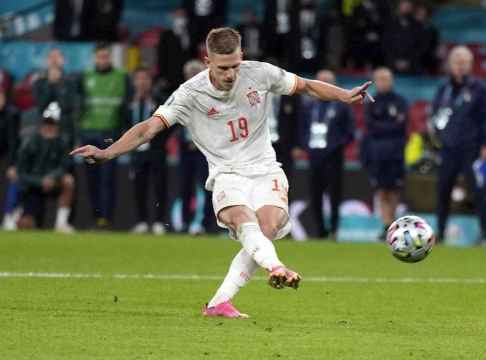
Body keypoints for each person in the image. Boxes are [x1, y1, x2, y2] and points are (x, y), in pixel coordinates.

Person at [70, 27, 372, 318]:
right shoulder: (190, 94)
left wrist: (344, 95)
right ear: (208, 62)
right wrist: (108, 152)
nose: (230, 74)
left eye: (235, 66)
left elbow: (305, 85)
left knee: (266, 228)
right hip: (227, 173)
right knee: (243, 219)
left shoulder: (259, 73)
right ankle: (276, 267)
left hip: (266, 168)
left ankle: (218, 303)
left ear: (242, 56)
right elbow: (148, 128)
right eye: (223, 67)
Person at [431, 46, 486, 243]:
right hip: (449, 148)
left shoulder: (480, 90)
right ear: (450, 64)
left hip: (473, 149)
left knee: (479, 191)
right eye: (456, 62)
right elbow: (435, 114)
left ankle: (484, 234)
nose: (459, 66)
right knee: (443, 190)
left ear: (470, 65)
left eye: (464, 62)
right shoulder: (444, 89)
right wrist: (438, 137)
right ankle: (440, 234)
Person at [295, 70, 355, 239]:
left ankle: (335, 229)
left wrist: (335, 145)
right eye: (322, 82)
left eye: (329, 82)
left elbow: (349, 132)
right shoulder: (309, 106)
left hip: (334, 155)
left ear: (334, 84)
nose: (325, 85)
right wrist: (306, 145)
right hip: (314, 155)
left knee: (335, 193)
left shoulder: (341, 106)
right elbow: (302, 129)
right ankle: (320, 231)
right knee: (315, 194)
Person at [78, 43, 130, 229]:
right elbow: (78, 105)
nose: (103, 60)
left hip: (110, 134)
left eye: (106, 57)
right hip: (89, 132)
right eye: (100, 57)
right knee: (92, 180)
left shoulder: (121, 77)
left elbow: (126, 106)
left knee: (108, 179)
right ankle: (95, 217)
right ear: (94, 58)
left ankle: (105, 219)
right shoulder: (85, 76)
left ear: (110, 58)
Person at [362, 67, 408, 240]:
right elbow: (371, 126)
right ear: (375, 82)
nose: (384, 82)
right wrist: (389, 126)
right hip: (377, 152)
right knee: (381, 190)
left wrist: (382, 127)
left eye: (386, 79)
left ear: (392, 81)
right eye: (380, 79)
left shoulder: (400, 101)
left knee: (394, 189)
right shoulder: (370, 102)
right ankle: (386, 224)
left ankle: (392, 223)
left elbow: (401, 126)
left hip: (396, 152)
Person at [16, 105, 75, 233]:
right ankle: (17, 214)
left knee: (68, 181)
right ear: (41, 125)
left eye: (52, 125)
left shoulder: (62, 142)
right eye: (47, 124)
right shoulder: (29, 143)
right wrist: (40, 181)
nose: (49, 128)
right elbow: (21, 173)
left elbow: (65, 165)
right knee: (26, 225)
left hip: (54, 183)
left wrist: (52, 177)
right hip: (33, 186)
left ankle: (61, 223)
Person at [128, 68, 168, 235]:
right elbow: (124, 124)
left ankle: (159, 221)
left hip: (156, 150)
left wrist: (160, 140)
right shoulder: (129, 102)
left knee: (159, 186)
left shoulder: (159, 101)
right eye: (139, 79)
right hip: (136, 151)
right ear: (134, 82)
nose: (142, 82)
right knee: (139, 186)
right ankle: (142, 221)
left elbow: (170, 124)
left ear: (150, 82)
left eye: (145, 79)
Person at [177, 59, 214, 235]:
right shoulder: (180, 95)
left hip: (205, 150)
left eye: (195, 75)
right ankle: (185, 222)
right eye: (188, 75)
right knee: (184, 185)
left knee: (206, 186)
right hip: (185, 148)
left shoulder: (211, 96)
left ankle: (206, 223)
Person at [33, 48, 81, 152]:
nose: (54, 60)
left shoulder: (71, 81)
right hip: (44, 129)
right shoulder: (39, 82)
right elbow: (41, 106)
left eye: (57, 57)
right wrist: (50, 84)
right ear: (47, 61)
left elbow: (69, 106)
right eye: (51, 57)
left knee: (67, 163)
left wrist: (59, 84)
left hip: (66, 130)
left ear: (63, 60)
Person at [156, 8, 193, 96]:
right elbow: (161, 57)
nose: (180, 19)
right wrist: (161, 76)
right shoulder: (166, 35)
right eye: (178, 16)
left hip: (185, 78)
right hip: (170, 77)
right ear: (173, 18)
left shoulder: (190, 35)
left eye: (182, 17)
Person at [0, 88, 21, 230]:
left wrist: (13, 164)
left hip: (8, 154)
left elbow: (13, 141)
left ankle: (8, 217)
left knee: (14, 180)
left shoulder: (12, 114)